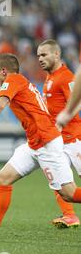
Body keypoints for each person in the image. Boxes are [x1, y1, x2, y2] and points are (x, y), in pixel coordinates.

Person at [0, 53, 81, 242]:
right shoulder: (21, 81)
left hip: (47, 143)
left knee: (68, 194)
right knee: (3, 178)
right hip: (34, 144)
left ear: (4, 71)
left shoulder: (13, 79)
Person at [37, 39, 80, 228]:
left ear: (57, 54)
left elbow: (78, 101)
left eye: (44, 54)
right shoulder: (50, 77)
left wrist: (65, 117)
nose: (40, 58)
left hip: (74, 139)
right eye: (38, 55)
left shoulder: (66, 77)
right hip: (57, 141)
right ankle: (69, 215)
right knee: (57, 179)